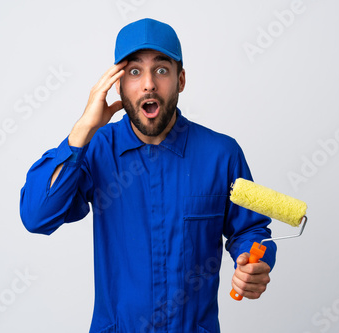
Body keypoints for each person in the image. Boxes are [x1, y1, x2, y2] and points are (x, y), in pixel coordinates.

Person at [20, 18, 276, 333]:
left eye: (162, 70)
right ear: (117, 84)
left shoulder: (224, 152)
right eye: (134, 71)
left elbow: (253, 229)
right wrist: (82, 130)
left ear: (181, 80)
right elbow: (36, 216)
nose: (149, 84)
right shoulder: (96, 149)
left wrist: (255, 259)